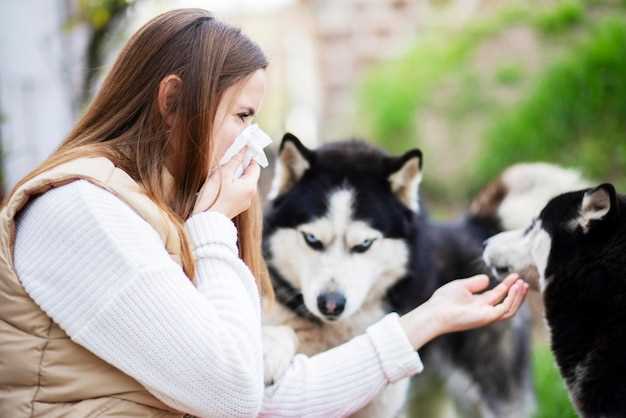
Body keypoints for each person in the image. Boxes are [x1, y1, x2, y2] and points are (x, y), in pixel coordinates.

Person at [0, 8, 528, 418]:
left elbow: (270, 394)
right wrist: (212, 231)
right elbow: (230, 393)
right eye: (243, 116)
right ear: (171, 102)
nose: (255, 139)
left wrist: (425, 319)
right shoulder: (82, 212)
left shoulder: (153, 214)